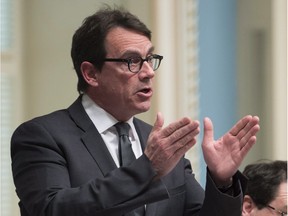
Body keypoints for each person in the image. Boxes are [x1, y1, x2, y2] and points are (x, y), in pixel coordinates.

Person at [11, 6, 260, 216]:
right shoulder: (42, 136)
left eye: (149, 59)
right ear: (91, 73)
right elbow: (51, 209)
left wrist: (221, 181)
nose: (148, 72)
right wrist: (147, 168)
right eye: (131, 61)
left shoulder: (160, 145)